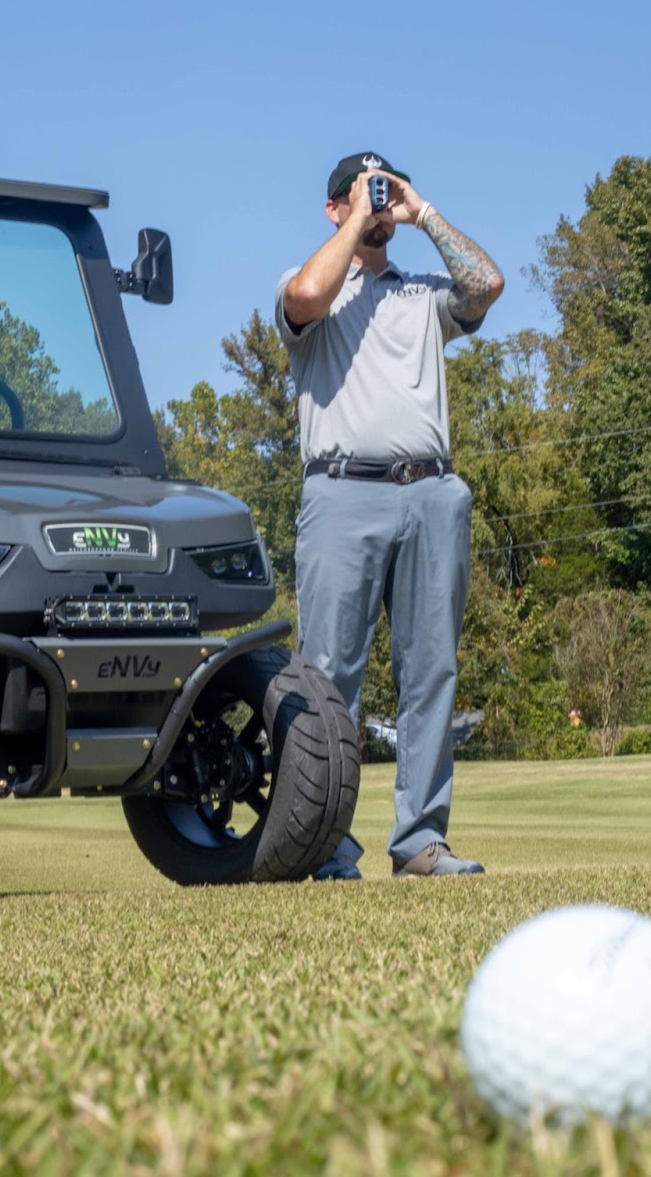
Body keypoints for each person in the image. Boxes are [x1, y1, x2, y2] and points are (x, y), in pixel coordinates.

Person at [275, 152, 504, 879]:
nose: (378, 202)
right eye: (363, 190)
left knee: (431, 672)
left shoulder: (422, 293)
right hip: (343, 491)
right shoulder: (310, 282)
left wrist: (421, 211)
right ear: (334, 208)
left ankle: (421, 842)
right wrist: (357, 222)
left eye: (385, 187)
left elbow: (486, 284)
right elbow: (307, 296)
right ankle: (324, 847)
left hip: (431, 493)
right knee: (328, 679)